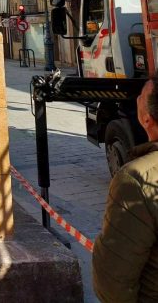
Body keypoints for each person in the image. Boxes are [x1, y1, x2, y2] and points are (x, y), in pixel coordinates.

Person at [92, 77, 158, 302]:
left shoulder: (135, 180)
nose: (137, 97)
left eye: (141, 96)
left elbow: (113, 283)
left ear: (146, 119)